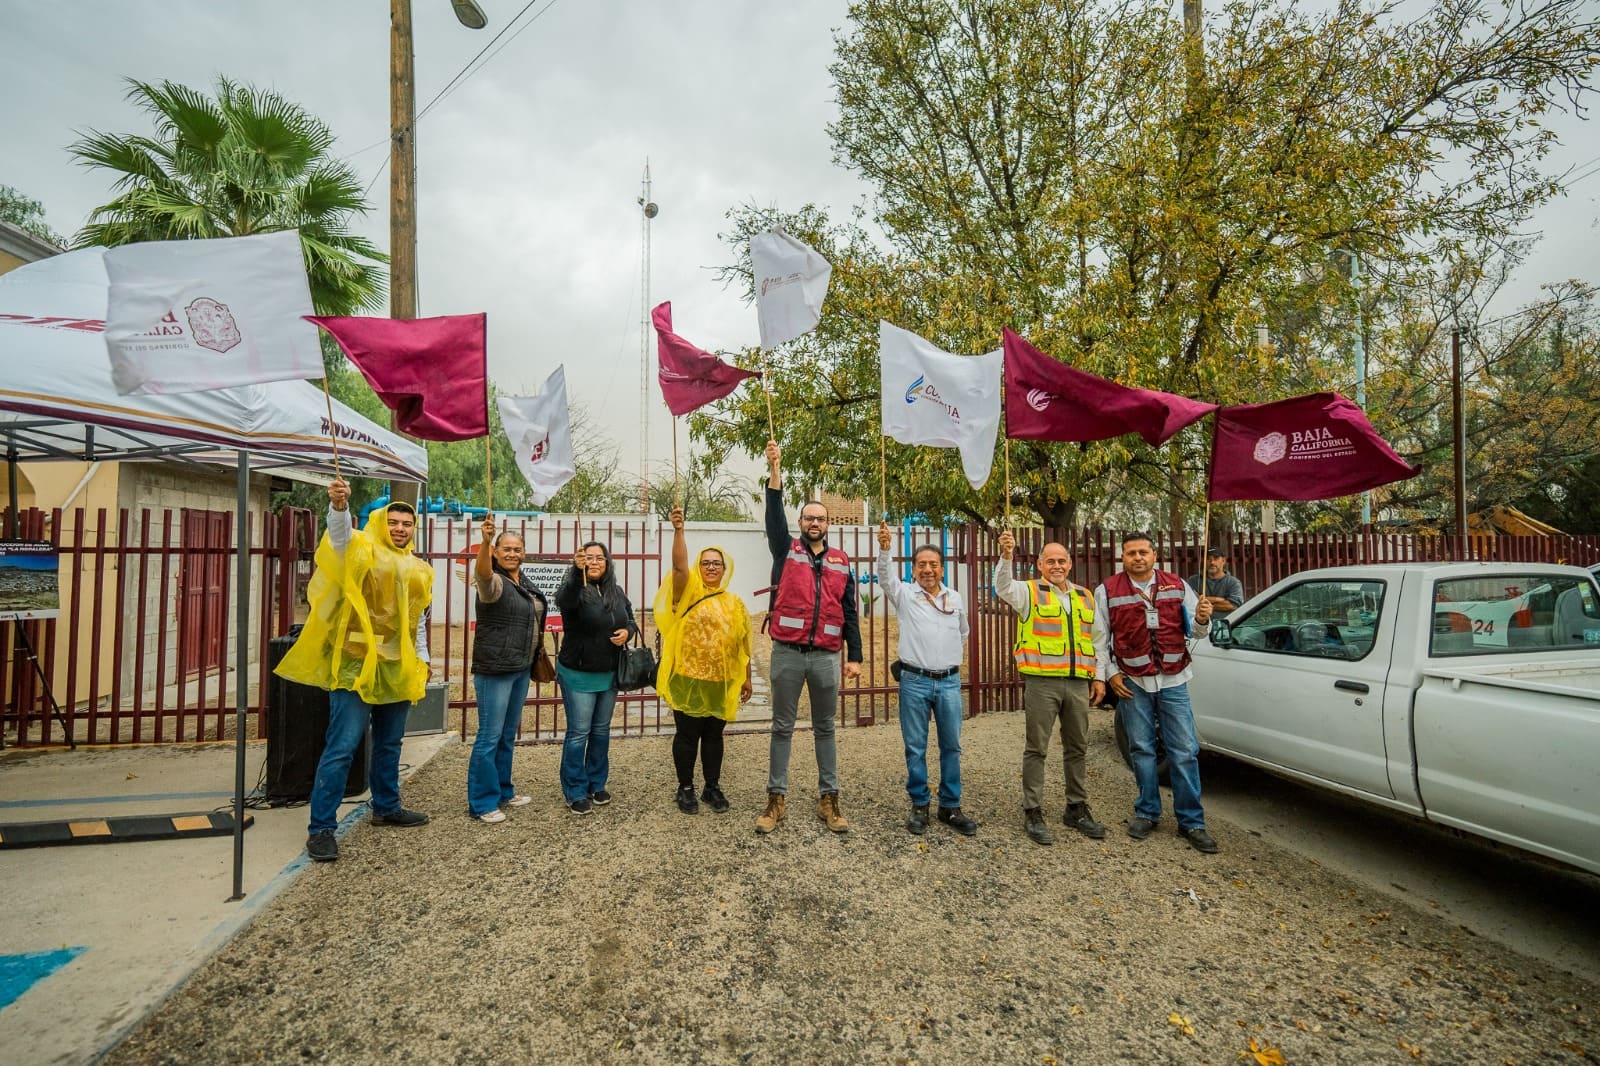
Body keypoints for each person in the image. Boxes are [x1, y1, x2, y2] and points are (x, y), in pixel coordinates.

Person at [274, 478, 433, 864]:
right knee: (343, 746)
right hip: (355, 665)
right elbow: (339, 539)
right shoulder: (361, 550)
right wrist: (340, 507)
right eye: (393, 522)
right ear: (379, 523)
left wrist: (423, 659)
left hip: (395, 667)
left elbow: (416, 620)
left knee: (390, 743)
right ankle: (321, 828)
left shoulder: (418, 569)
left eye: (407, 524)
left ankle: (386, 806)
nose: (400, 529)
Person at [755, 439, 863, 835]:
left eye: (820, 518)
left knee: (825, 727)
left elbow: (849, 611)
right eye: (808, 518)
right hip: (787, 652)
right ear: (800, 523)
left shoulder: (841, 562)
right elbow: (773, 514)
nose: (814, 523)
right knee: (781, 726)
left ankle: (829, 799)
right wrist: (775, 471)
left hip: (825, 657)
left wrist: (856, 655)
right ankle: (776, 799)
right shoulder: (785, 550)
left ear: (828, 525)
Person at [1093, 532, 1218, 853]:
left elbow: (1198, 630)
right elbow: (1099, 639)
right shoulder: (1106, 591)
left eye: (1143, 552)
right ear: (1122, 557)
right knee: (1141, 749)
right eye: (1131, 553)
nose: (1138, 557)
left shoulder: (1177, 585)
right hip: (1133, 682)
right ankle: (1147, 812)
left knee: (1184, 751)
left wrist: (1203, 620)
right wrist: (1110, 674)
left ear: (1154, 555)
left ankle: (1192, 821)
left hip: (1174, 680)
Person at [994, 531, 1106, 846]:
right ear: (1040, 565)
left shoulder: (1085, 596)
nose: (1057, 566)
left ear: (1070, 564)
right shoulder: (1028, 591)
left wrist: (1099, 677)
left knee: (1077, 747)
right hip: (1042, 682)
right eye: (1050, 561)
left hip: (1078, 683)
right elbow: (1002, 586)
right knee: (1037, 748)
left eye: (1062, 561)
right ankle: (1033, 811)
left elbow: (1099, 640)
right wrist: (1006, 556)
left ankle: (1076, 808)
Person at [877, 521, 976, 836]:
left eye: (933, 564)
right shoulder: (905, 594)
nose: (928, 570)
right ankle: (919, 804)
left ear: (942, 569)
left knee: (952, 746)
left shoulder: (954, 598)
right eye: (922, 565)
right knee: (915, 746)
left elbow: (963, 632)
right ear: (914, 569)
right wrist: (885, 549)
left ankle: (950, 805)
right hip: (915, 682)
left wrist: (943, 657)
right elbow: (884, 577)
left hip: (949, 682)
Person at [654, 506, 753, 815]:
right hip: (687, 678)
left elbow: (742, 643)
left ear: (725, 568)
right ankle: (685, 788)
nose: (711, 567)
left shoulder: (735, 602)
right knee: (687, 735)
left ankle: (712, 787)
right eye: (705, 563)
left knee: (713, 735)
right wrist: (679, 530)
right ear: (699, 567)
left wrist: (747, 677)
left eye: (716, 563)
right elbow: (678, 567)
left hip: (721, 680)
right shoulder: (687, 592)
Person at [468, 516, 548, 824]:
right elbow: (482, 574)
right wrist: (485, 542)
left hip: (520, 668)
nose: (512, 553)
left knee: (506, 735)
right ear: (496, 552)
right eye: (506, 549)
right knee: (489, 736)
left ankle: (503, 789)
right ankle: (482, 802)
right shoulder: (494, 581)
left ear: (523, 552)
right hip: (495, 669)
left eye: (517, 549)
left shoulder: (522, 581)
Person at [554, 540, 637, 815]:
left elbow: (631, 620)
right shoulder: (574, 590)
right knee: (579, 733)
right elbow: (565, 600)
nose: (594, 562)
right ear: (580, 561)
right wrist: (575, 573)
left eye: (600, 558)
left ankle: (596, 782)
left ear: (607, 562)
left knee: (601, 731)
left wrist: (627, 633)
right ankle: (575, 790)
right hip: (579, 673)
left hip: (609, 673)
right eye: (588, 557)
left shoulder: (616, 591)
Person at [1187, 546, 1245, 618]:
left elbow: (1233, 605)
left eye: (1216, 559)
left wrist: (1205, 603)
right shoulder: (1194, 580)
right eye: (1208, 559)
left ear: (1223, 561)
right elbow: (1190, 602)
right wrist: (1219, 600)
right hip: (1201, 623)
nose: (1212, 562)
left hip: (1226, 623)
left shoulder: (1234, 582)